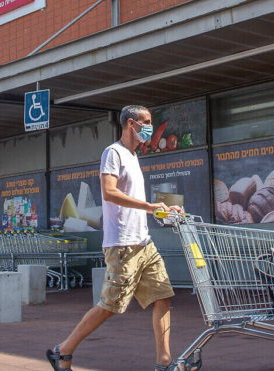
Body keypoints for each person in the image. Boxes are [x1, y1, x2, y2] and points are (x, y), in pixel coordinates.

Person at [46, 105, 181, 371]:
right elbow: (109, 192)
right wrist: (151, 207)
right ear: (131, 124)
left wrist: (163, 208)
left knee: (163, 298)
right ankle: (63, 350)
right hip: (122, 245)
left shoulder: (133, 156)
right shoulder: (113, 153)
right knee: (111, 305)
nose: (150, 127)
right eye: (147, 122)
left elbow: (134, 200)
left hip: (144, 242)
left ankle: (164, 363)